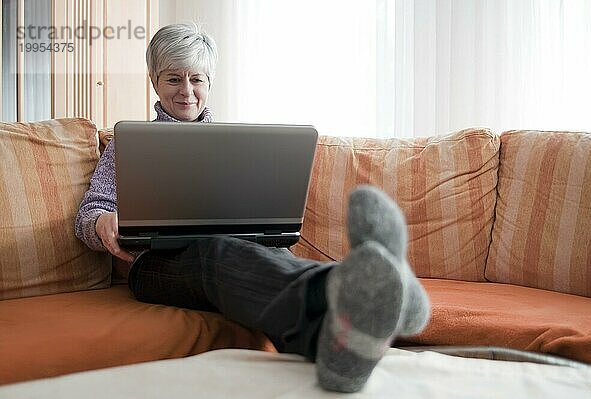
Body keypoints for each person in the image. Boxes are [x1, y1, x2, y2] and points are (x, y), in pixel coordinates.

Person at [75, 23, 430, 393]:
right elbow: (90, 211)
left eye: (196, 79)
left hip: (239, 249)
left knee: (274, 252)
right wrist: (101, 221)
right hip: (157, 265)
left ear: (209, 82)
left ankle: (346, 328)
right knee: (216, 251)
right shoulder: (128, 144)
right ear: (154, 80)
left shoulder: (234, 144)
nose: (186, 91)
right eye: (173, 78)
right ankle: (369, 294)